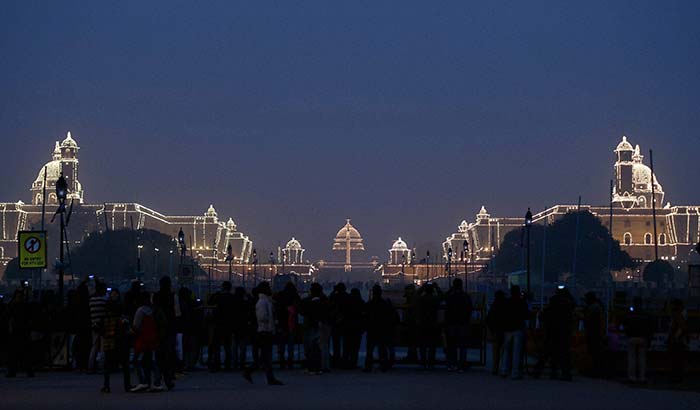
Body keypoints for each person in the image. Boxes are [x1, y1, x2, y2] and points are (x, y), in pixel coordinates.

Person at [242, 282, 283, 385]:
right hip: (265, 331)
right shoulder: (263, 302)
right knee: (266, 357)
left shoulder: (263, 301)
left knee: (264, 357)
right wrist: (271, 320)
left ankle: (255, 373)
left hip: (264, 331)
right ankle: (253, 372)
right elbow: (262, 317)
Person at [534, 286, 575, 381]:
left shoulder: (553, 303)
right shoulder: (568, 304)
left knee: (547, 352)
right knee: (563, 353)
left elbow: (543, 315)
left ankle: (543, 371)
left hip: (551, 331)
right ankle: (565, 374)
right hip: (563, 332)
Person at [131, 292, 162, 392]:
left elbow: (136, 326)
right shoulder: (153, 310)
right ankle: (157, 382)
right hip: (152, 338)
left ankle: (142, 382)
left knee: (136, 361)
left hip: (142, 339)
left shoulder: (140, 311)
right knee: (151, 362)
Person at [100, 289, 131, 393]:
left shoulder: (107, 310)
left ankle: (106, 385)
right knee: (124, 363)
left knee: (108, 363)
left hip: (110, 337)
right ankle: (127, 385)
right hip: (120, 337)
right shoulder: (122, 309)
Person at [153, 276, 177, 390]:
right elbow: (177, 313)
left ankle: (157, 380)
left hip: (158, 328)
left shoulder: (155, 296)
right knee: (168, 354)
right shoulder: (173, 296)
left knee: (158, 355)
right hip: (170, 327)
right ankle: (168, 379)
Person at [500, 286, 529, 379]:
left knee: (506, 350)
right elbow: (526, 314)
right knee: (516, 351)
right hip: (518, 328)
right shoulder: (521, 302)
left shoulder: (506, 302)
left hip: (507, 328)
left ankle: (504, 370)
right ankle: (515, 372)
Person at [363, 284, 394, 373]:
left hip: (372, 329)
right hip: (381, 329)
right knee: (382, 349)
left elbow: (366, 316)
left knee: (370, 349)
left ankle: (368, 366)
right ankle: (383, 365)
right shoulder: (384, 304)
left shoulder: (370, 304)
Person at [622, 297, 653, 384]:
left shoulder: (629, 314)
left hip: (632, 337)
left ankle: (632, 377)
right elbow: (650, 326)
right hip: (643, 337)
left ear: (634, 304)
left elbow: (624, 324)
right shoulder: (646, 314)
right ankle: (642, 377)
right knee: (642, 359)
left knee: (632, 358)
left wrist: (627, 333)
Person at [445, 278, 473, 372]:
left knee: (452, 345)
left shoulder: (451, 296)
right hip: (463, 323)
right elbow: (470, 309)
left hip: (452, 323)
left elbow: (447, 308)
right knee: (462, 345)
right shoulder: (466, 296)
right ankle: (461, 365)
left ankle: (452, 364)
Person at [6, 289, 34, 377]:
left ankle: (13, 371)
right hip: (22, 332)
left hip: (18, 332)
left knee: (15, 353)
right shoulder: (25, 306)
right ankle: (28, 371)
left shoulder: (13, 306)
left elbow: (8, 317)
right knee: (24, 353)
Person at [300, 283, 328, 374]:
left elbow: (302, 310)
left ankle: (312, 366)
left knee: (311, 347)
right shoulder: (324, 301)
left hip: (310, 325)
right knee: (318, 347)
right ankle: (320, 366)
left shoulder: (307, 302)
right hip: (319, 325)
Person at [209, 281, 235, 372]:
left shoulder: (218, 296)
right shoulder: (232, 297)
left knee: (217, 346)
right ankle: (227, 365)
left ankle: (217, 365)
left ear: (222, 287)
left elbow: (210, 303)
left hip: (218, 324)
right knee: (227, 346)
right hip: (228, 324)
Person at [414, 283, 441, 369]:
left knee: (422, 345)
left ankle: (423, 361)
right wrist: (437, 287)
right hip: (433, 324)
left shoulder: (421, 299)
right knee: (432, 345)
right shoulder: (435, 299)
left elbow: (415, 295)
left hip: (422, 323)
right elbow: (442, 296)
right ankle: (431, 362)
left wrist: (422, 287)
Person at [275, 282, 300, 369]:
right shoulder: (295, 297)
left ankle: (282, 361)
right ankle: (290, 361)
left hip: (282, 323)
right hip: (291, 323)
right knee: (290, 344)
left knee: (281, 344)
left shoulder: (280, 296)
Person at [88, 281, 108, 373]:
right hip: (103, 326)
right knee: (102, 348)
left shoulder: (91, 300)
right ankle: (101, 366)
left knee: (94, 346)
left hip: (94, 325)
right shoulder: (104, 300)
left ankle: (91, 366)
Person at [329, 283, 350, 369]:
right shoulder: (348, 297)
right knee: (346, 344)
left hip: (336, 323)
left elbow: (329, 302)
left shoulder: (334, 297)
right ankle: (345, 360)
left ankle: (337, 360)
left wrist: (333, 292)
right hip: (345, 323)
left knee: (336, 343)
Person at [583, 292, 604, 377]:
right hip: (596, 333)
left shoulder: (593, 308)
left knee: (594, 353)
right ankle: (596, 370)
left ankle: (595, 370)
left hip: (594, 333)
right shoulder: (597, 307)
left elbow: (588, 319)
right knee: (596, 353)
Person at [667, 299, 688, 384]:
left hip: (677, 342)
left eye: (671, 305)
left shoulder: (677, 315)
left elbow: (682, 327)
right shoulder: (680, 314)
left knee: (676, 360)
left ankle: (676, 378)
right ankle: (677, 377)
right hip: (678, 341)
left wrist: (675, 337)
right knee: (677, 360)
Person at [344, 288, 365, 369]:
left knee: (347, 346)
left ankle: (345, 362)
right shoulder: (361, 302)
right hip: (357, 327)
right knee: (355, 347)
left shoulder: (347, 302)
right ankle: (353, 362)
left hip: (348, 326)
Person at [487, 290, 507, 375]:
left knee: (496, 351)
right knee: (505, 351)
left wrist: (492, 330)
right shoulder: (506, 305)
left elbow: (489, 319)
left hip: (496, 331)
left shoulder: (494, 305)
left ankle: (495, 368)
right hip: (505, 330)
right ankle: (504, 368)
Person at [231, 287, 250, 370]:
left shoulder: (232, 303)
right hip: (243, 326)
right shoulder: (245, 303)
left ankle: (234, 363)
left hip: (234, 326)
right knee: (243, 346)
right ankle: (242, 363)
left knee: (234, 346)